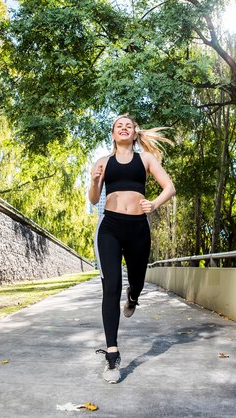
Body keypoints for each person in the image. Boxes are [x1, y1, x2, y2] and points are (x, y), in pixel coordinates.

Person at [88, 114, 175, 383]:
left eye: (128, 126)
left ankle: (134, 297)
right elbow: (93, 199)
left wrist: (154, 204)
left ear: (135, 134)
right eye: (118, 126)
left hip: (138, 228)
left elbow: (169, 187)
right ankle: (112, 357)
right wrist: (93, 181)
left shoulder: (145, 160)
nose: (123, 129)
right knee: (110, 286)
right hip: (110, 227)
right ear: (113, 134)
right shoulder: (103, 162)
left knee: (136, 280)